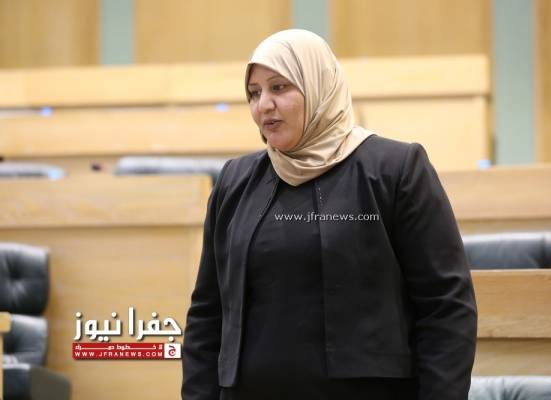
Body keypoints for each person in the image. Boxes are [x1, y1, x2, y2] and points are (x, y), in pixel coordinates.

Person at [182, 29, 477, 400]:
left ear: (318, 85)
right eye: (254, 93)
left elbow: (445, 305)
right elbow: (207, 316)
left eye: (279, 87)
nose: (264, 105)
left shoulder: (394, 169)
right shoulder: (234, 181)